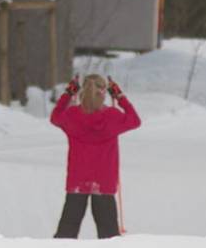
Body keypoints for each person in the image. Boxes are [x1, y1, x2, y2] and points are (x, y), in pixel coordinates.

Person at [50, 73, 141, 238]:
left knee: (67, 231)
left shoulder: (72, 115)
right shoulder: (112, 116)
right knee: (109, 234)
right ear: (104, 93)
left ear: (82, 91)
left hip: (77, 179)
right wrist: (120, 97)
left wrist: (68, 94)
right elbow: (135, 120)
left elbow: (55, 117)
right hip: (104, 181)